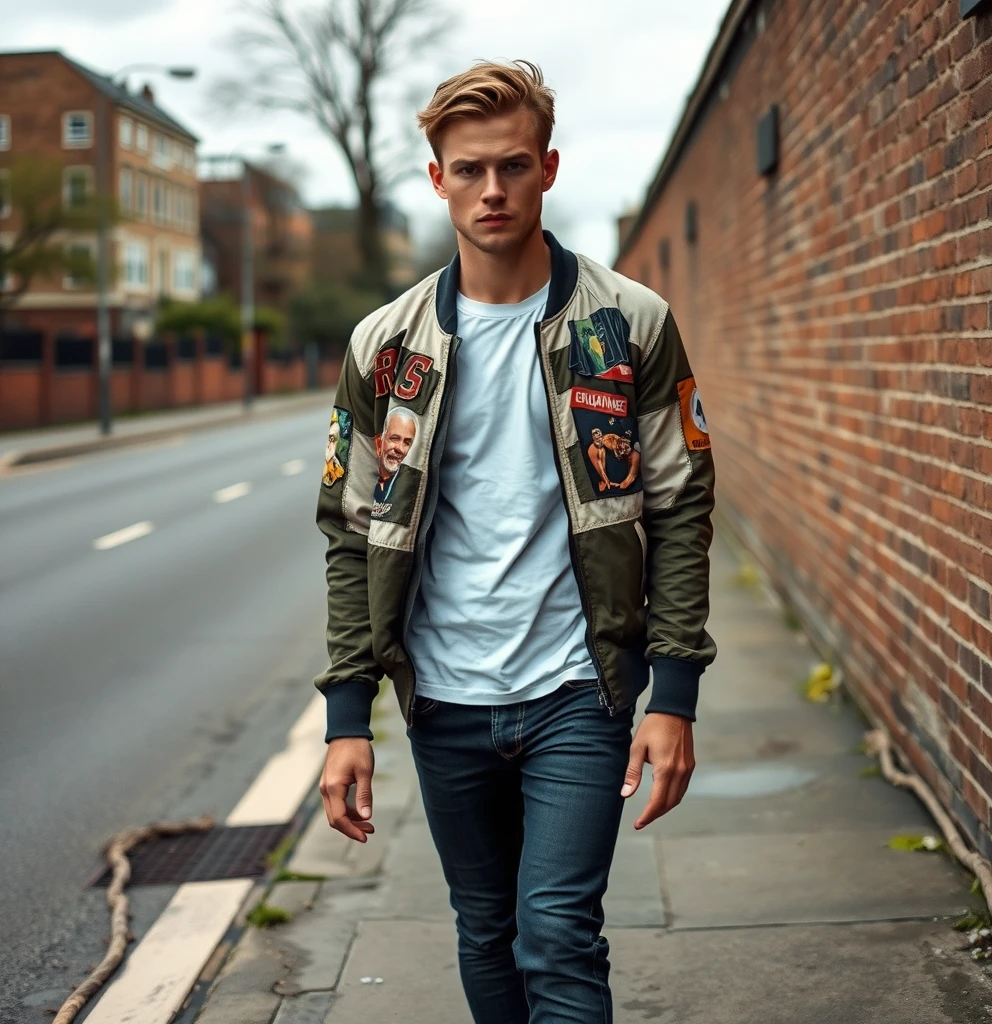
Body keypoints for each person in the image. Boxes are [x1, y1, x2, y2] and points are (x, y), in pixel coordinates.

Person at [315, 60, 715, 1024]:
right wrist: (345, 717)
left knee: (556, 932)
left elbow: (681, 505)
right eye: (468, 170)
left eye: (513, 166)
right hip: (445, 696)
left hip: (579, 688)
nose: (491, 190)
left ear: (549, 169)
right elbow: (348, 529)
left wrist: (675, 695)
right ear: (437, 179)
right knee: (485, 927)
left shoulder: (628, 323)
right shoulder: (387, 345)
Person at [373, 407, 417, 509]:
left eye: (407, 443)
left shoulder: (412, 491)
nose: (399, 448)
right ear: (380, 442)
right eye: (394, 438)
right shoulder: (364, 479)